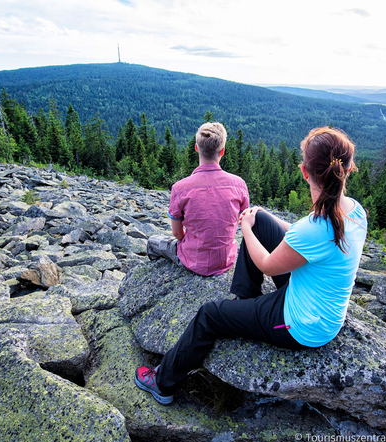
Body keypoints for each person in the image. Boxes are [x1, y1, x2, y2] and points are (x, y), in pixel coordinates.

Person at [135, 127, 368, 405]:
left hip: (301, 325)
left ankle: (163, 383)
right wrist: (261, 218)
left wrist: (245, 227)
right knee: (262, 220)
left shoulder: (313, 228)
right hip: (312, 299)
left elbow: (269, 266)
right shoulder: (354, 210)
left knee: (209, 315)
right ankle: (245, 301)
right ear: (349, 168)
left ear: (304, 172)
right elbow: (306, 239)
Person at [147, 122, 249, 276]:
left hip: (193, 261)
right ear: (222, 151)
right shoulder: (239, 185)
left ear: (196, 148)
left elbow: (177, 233)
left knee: (152, 242)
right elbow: (244, 220)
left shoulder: (180, 188)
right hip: (226, 260)